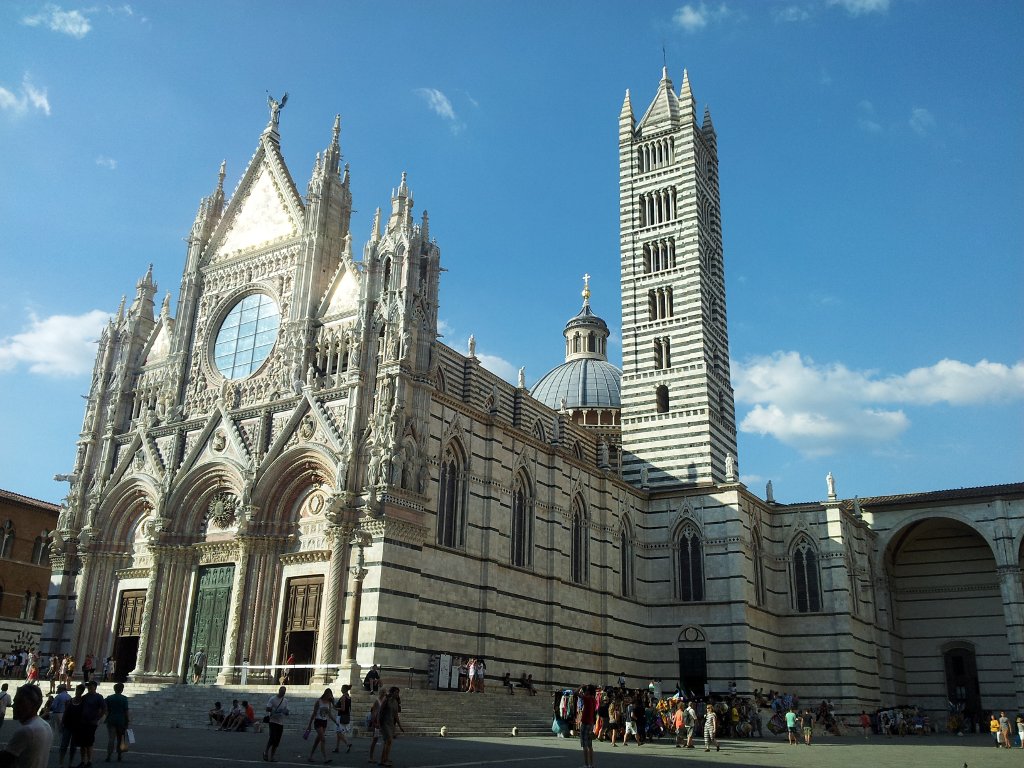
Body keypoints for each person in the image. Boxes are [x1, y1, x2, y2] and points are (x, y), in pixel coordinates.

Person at [0, 684, 53, 768]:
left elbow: (4, 761)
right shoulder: (46, 726)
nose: (14, 706)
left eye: (18, 702)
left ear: (30, 705)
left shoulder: (27, 731)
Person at [76, 679, 106, 766]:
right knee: (82, 743)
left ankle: (89, 760)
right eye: (88, 686)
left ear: (95, 687)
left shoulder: (98, 697)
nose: (89, 687)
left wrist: (98, 718)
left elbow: (104, 708)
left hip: (92, 723)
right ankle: (82, 760)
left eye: (90, 686)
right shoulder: (85, 697)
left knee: (89, 742)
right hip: (83, 722)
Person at [306, 688, 336, 763]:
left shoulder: (329, 703)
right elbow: (314, 713)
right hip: (318, 721)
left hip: (324, 722)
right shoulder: (318, 702)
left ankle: (310, 756)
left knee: (317, 740)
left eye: (330, 695)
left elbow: (329, 714)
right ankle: (325, 758)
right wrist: (309, 725)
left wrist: (335, 721)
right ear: (325, 694)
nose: (329, 696)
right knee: (323, 739)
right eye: (328, 695)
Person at [58, 685, 84, 768]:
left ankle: (70, 763)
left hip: (77, 726)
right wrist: (62, 722)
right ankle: (61, 763)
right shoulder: (70, 701)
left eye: (79, 690)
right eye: (77, 690)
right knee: (64, 744)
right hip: (68, 725)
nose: (77, 692)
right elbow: (65, 712)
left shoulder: (83, 702)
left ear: (82, 691)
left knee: (74, 746)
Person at [377, 687, 404, 768]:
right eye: (396, 692)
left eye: (398, 693)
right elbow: (380, 711)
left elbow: (396, 715)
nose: (397, 694)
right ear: (392, 693)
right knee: (388, 740)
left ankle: (385, 758)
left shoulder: (395, 702)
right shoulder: (386, 700)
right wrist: (378, 722)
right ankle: (382, 760)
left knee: (389, 742)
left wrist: (400, 726)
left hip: (391, 723)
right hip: (384, 723)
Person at [104, 682, 130, 762]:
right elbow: (126, 711)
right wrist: (128, 720)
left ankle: (109, 755)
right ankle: (119, 755)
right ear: (122, 690)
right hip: (121, 720)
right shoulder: (124, 698)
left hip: (111, 719)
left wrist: (107, 715)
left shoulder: (109, 698)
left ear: (114, 689)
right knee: (120, 738)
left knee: (111, 739)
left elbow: (105, 708)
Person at [263, 686, 289, 762]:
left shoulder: (285, 700)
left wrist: (286, 712)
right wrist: (273, 709)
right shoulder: (273, 699)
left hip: (280, 722)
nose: (283, 693)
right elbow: (267, 708)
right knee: (272, 737)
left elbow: (287, 711)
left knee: (277, 740)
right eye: (282, 692)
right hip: (273, 721)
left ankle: (272, 756)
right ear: (279, 691)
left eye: (284, 692)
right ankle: (266, 751)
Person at [577, 685, 597, 768]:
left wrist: (581, 687)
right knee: (590, 745)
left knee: (584, 745)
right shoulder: (594, 700)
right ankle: (591, 764)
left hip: (585, 723)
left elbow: (576, 693)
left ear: (588, 691)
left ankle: (586, 764)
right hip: (591, 723)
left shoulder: (587, 698)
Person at [367, 689, 387, 763]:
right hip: (377, 722)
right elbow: (373, 712)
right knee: (375, 740)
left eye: (384, 692)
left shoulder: (385, 700)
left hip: (383, 722)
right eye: (383, 692)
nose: (384, 694)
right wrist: (374, 722)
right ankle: (371, 757)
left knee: (386, 740)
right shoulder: (377, 701)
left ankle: (384, 757)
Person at [332, 684, 352, 754]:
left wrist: (335, 708)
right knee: (339, 732)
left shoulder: (343, 697)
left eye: (341, 688)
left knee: (338, 732)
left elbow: (343, 708)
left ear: (344, 689)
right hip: (346, 716)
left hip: (341, 716)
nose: (341, 689)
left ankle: (347, 744)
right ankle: (337, 748)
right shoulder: (348, 697)